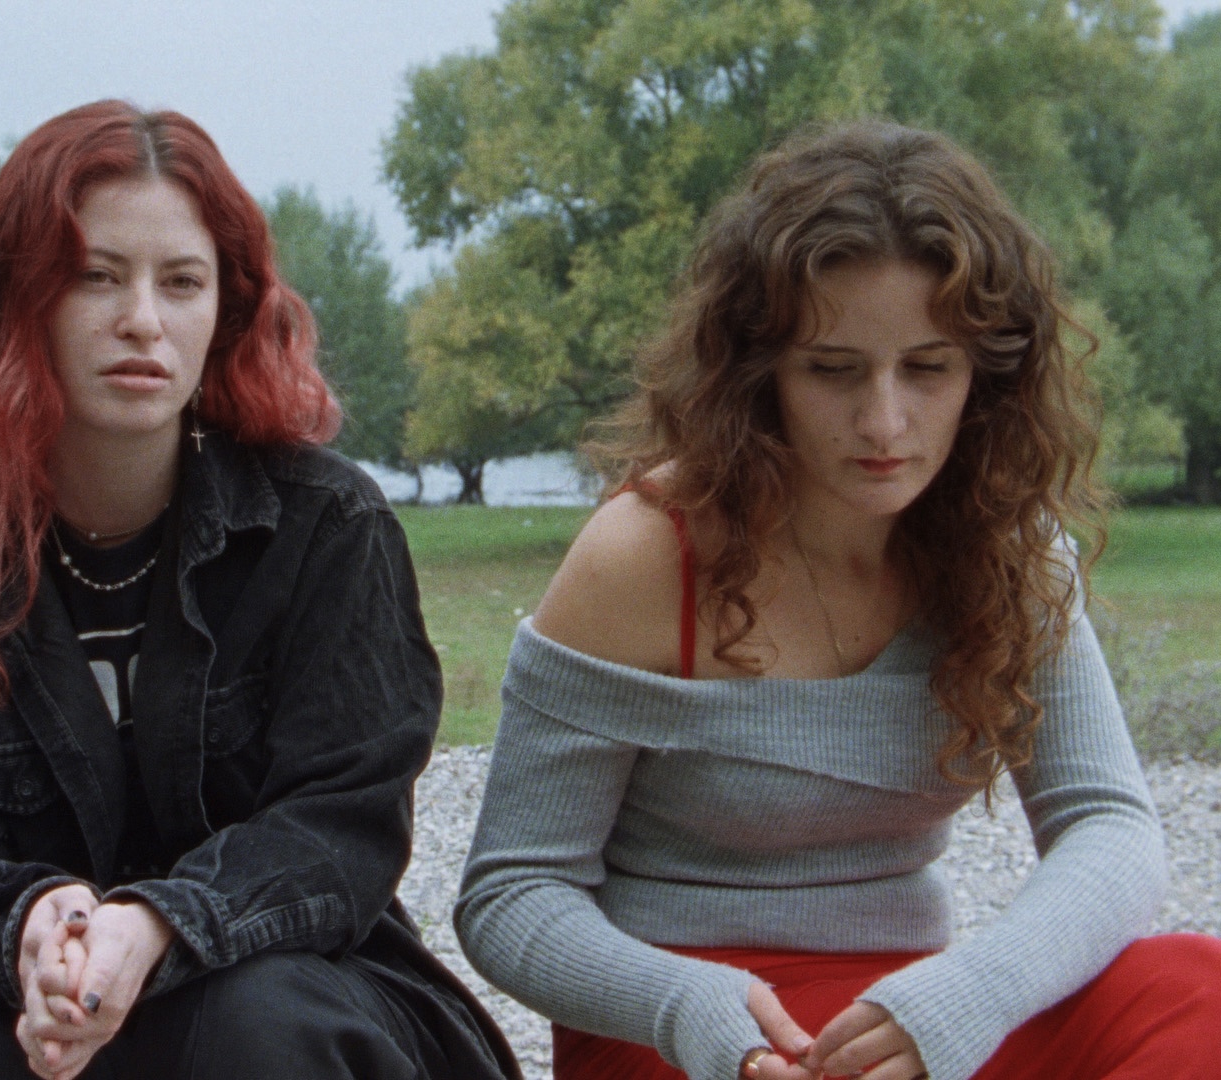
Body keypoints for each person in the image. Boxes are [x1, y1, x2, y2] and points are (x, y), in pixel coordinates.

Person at [454, 121, 1221, 1080]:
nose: (883, 421)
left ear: (986, 375)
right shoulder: (646, 553)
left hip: (906, 1019)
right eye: (832, 369)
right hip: (695, 1034)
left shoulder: (1011, 549)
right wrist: (686, 1006)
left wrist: (970, 994)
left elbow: (1110, 826)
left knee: (1197, 987)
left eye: (928, 368)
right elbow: (513, 893)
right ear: (759, 369)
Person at [0, 99, 519, 1080]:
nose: (142, 320)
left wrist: (161, 922)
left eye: (181, 282)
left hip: (293, 980)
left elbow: (341, 829)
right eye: (96, 276)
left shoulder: (323, 528)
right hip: (34, 997)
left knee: (256, 1023)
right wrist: (34, 924)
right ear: (19, 301)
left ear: (225, 311)